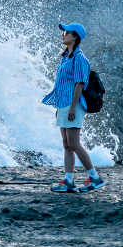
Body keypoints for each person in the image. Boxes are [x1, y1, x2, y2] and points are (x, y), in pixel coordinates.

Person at [41, 23, 105, 192]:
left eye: (66, 32)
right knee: (66, 144)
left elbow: (80, 83)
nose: (63, 35)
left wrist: (72, 107)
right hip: (64, 104)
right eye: (63, 32)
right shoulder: (67, 57)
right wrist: (59, 107)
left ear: (75, 36)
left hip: (74, 104)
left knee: (74, 143)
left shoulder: (80, 58)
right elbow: (64, 85)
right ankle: (68, 180)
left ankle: (95, 178)